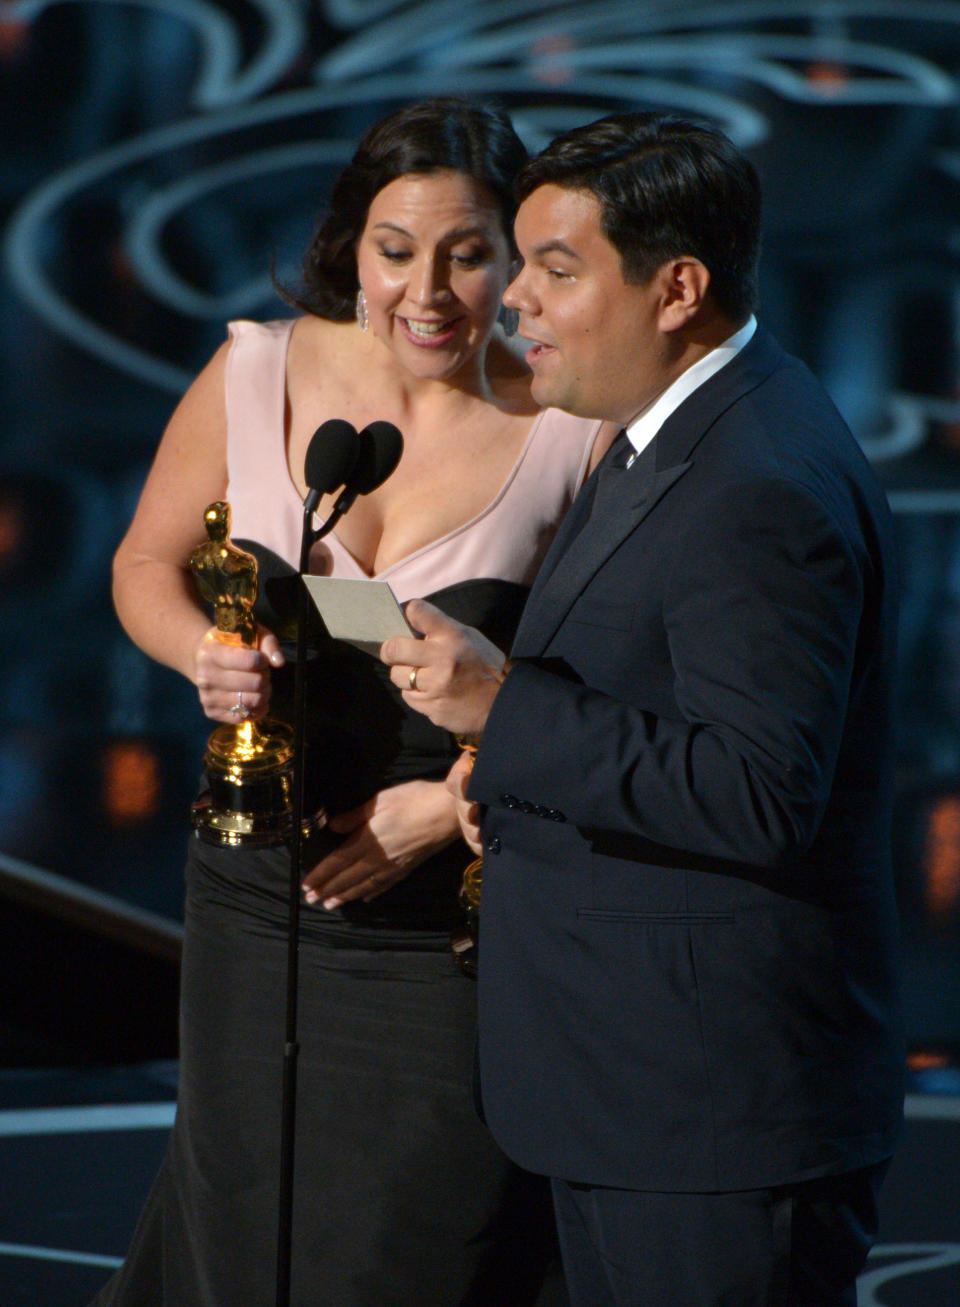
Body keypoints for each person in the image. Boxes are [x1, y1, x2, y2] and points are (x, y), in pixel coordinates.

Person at [382, 111, 905, 1307]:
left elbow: (760, 790)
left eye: (556, 271)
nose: (514, 300)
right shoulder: (671, 433)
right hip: (633, 1097)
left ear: (677, 288)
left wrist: (502, 712)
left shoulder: (755, 483)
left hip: (712, 1120)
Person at [97, 98, 613, 1306]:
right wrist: (195, 653)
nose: (426, 291)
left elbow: (616, 682)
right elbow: (141, 566)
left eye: (469, 252)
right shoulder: (256, 366)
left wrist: (448, 802)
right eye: (397, 249)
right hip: (250, 892)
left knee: (411, 1238)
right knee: (239, 1214)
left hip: (446, 916)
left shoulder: (569, 431)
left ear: (522, 258)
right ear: (353, 245)